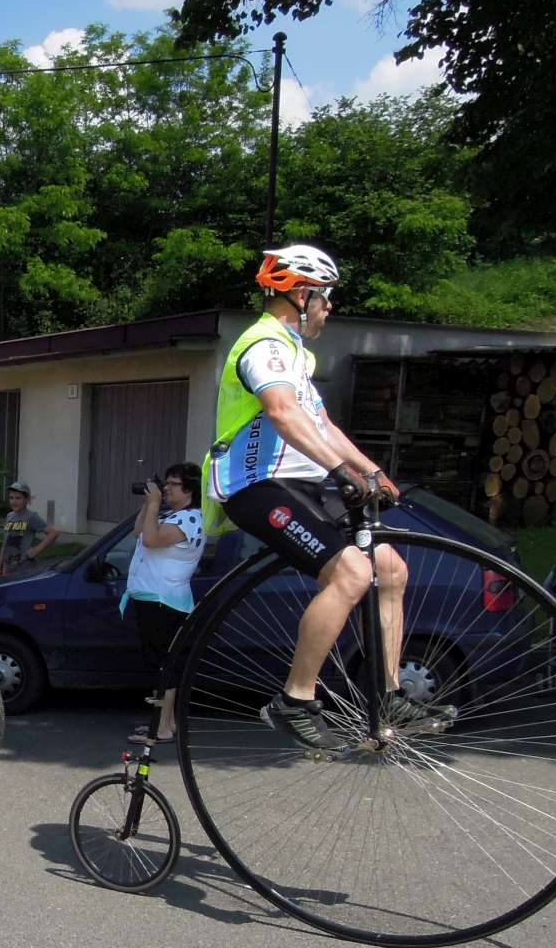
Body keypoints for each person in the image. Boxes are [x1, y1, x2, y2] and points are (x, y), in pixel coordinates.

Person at [202, 244, 446, 752]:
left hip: (301, 487)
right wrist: (340, 471)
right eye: (325, 297)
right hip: (258, 488)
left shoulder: (295, 354)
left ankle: (388, 694)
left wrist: (371, 471)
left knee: (389, 569)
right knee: (351, 572)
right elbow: (282, 414)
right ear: (301, 295)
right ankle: (294, 699)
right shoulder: (264, 345)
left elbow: (322, 426)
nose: (329, 307)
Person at [123, 463, 205, 745]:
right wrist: (150, 503)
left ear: (189, 490)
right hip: (155, 599)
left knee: (163, 666)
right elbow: (138, 531)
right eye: (165, 484)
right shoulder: (174, 515)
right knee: (162, 664)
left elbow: (151, 540)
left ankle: (162, 728)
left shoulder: (189, 519)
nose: (167, 489)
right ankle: (165, 723)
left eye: (173, 484)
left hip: (163, 601)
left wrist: (156, 502)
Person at [0, 481, 59, 578]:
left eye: (18, 498)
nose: (14, 501)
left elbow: (53, 533)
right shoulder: (9, 516)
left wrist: (35, 551)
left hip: (25, 570)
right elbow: (5, 544)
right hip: (8, 569)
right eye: (11, 498)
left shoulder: (31, 516)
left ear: (27, 499)